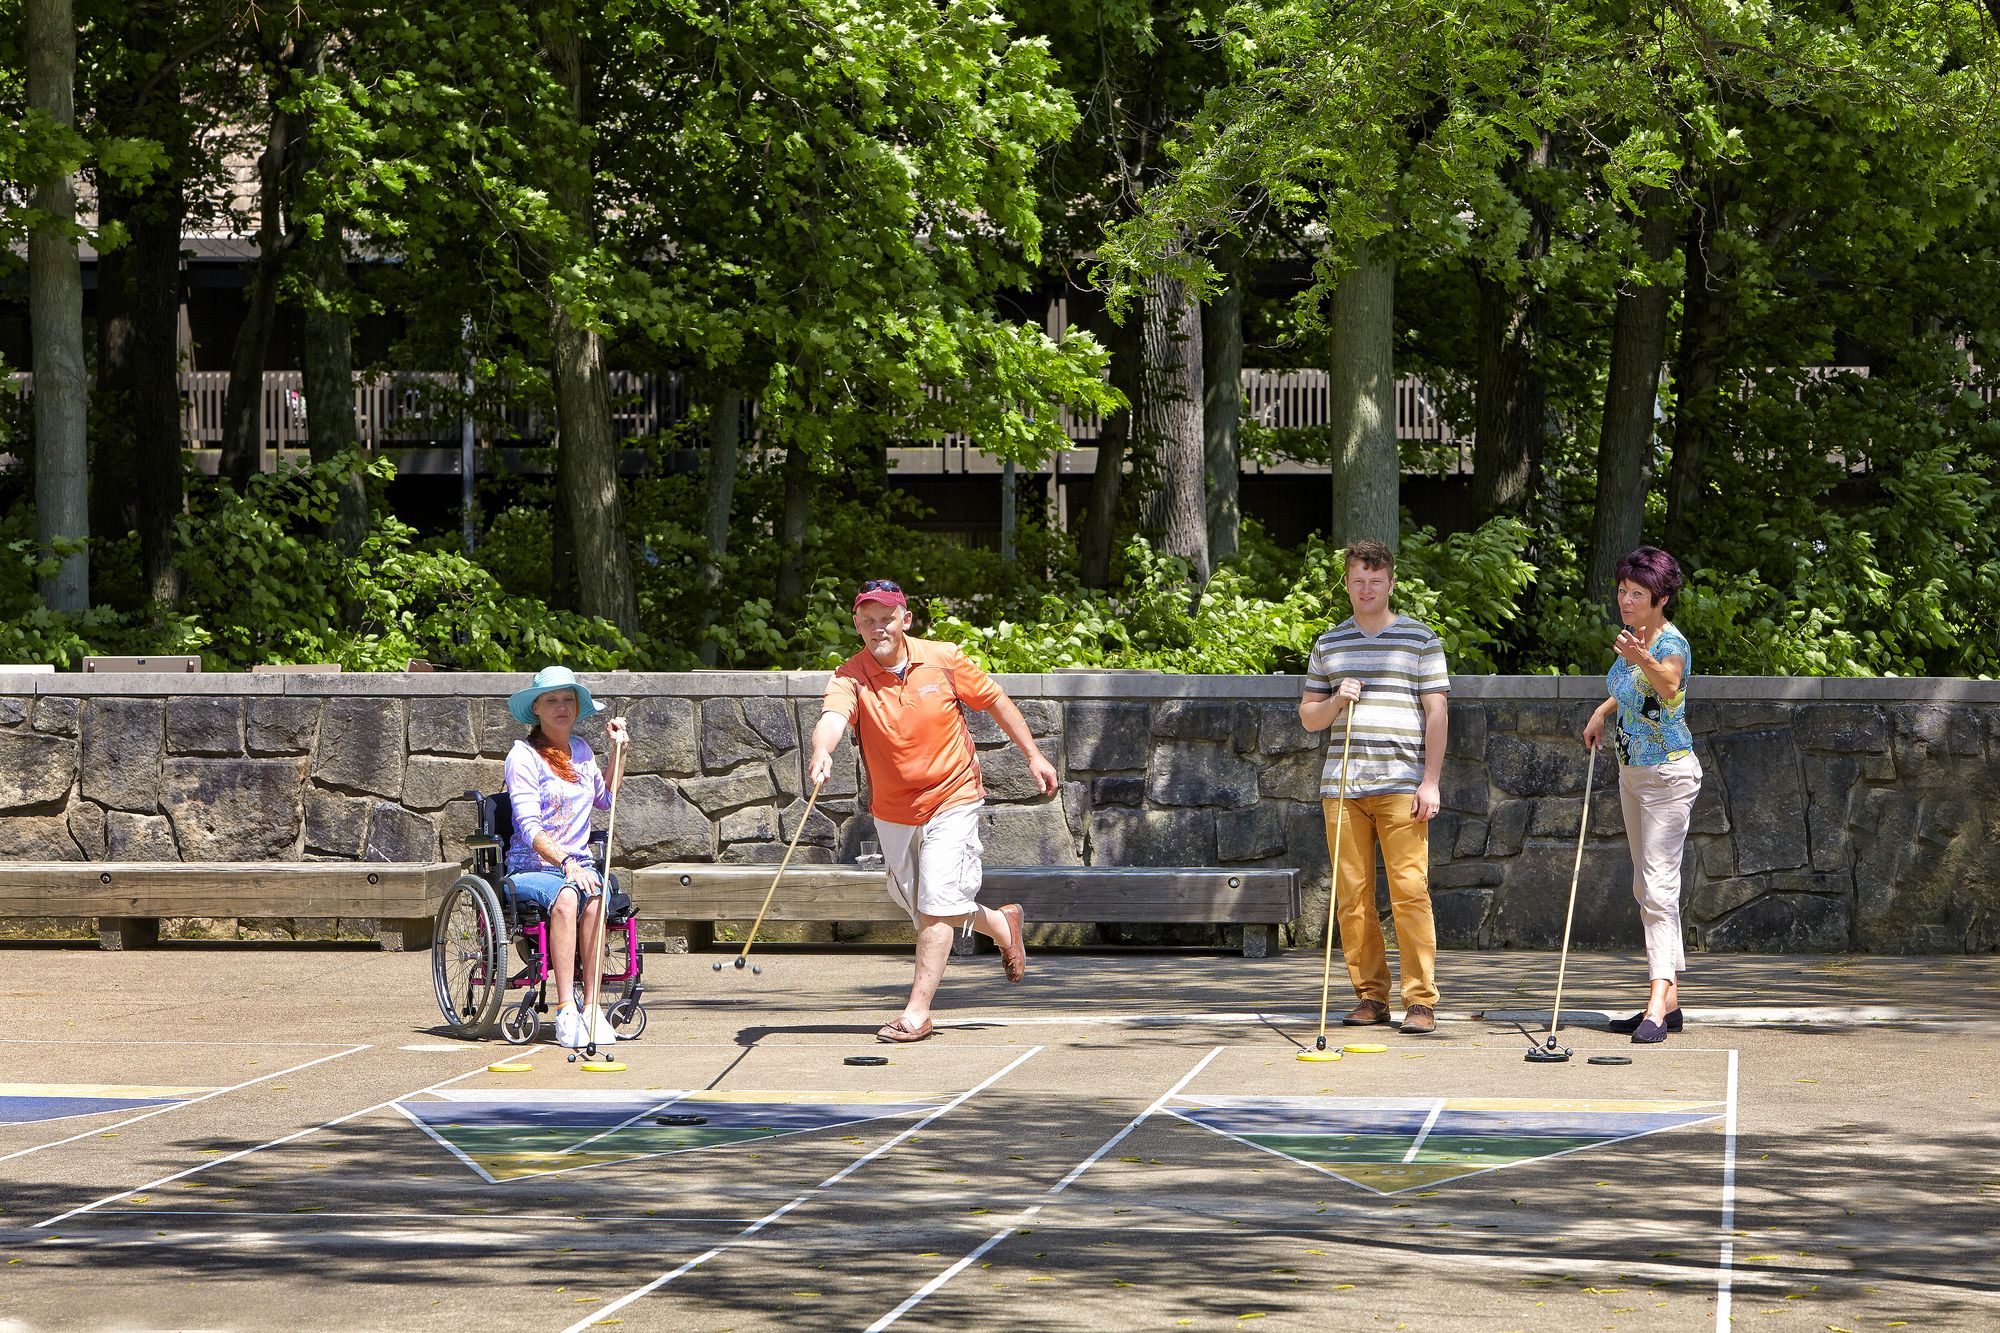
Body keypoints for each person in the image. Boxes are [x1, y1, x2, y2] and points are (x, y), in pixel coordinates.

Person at [806, 578, 1058, 1043]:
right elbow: (833, 718)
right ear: (858, 625)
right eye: (868, 621)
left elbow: (996, 701)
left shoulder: (943, 658)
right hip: (895, 809)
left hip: (953, 795)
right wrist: (823, 752)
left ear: (905, 620)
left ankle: (917, 1012)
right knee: (924, 908)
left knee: (938, 902)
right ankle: (1001, 923)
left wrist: (1033, 755)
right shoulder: (849, 675)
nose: (878, 628)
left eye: (887, 619)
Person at [1298, 539, 1450, 1036]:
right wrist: (1338, 701)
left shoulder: (1420, 639)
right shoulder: (1329, 644)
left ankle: (1421, 1001)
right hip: (1342, 787)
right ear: (1347, 582)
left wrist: (1430, 781)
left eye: (1375, 581)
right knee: (1352, 896)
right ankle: (1370, 996)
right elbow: (1309, 719)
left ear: (1390, 583)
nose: (1366, 589)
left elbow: (1437, 712)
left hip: (1402, 785)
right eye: (1358, 580)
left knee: (1410, 891)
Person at [1582, 546, 1701, 1045]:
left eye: (1637, 595)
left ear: (1662, 598)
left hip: (1669, 777)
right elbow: (1634, 686)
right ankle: (1669, 1004)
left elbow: (1669, 686)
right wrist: (1603, 711)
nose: (1625, 602)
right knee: (1646, 887)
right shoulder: (1638, 638)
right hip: (1633, 773)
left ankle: (1657, 999)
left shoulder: (1669, 643)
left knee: (1657, 887)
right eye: (1622, 592)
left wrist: (1644, 657)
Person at [503, 665, 629, 1049]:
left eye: (568, 700)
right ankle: (565, 1010)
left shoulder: (582, 751)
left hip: (578, 867)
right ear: (536, 708)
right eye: (552, 700)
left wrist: (617, 750)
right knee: (571, 894)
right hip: (532, 868)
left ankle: (591, 1009)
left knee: (594, 898)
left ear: (577, 708)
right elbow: (528, 827)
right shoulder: (522, 756)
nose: (561, 707)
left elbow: (605, 799)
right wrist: (567, 864)